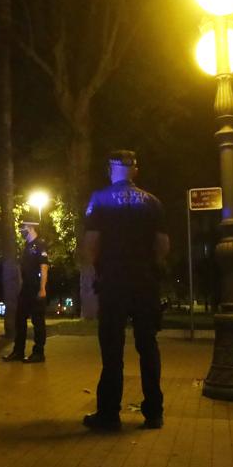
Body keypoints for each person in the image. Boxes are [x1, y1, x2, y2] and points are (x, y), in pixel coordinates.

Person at [82, 150, 169, 430]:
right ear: (135, 170)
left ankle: (109, 413)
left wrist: (97, 270)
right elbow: (163, 245)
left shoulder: (100, 199)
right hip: (145, 283)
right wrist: (150, 268)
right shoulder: (153, 202)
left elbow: (92, 243)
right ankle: (154, 411)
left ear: (111, 168)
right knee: (148, 346)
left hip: (113, 282)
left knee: (112, 349)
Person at [2, 220, 49, 363]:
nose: (21, 230)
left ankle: (39, 353)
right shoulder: (27, 246)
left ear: (30, 227)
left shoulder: (40, 245)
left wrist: (42, 288)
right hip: (26, 288)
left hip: (36, 288)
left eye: (23, 228)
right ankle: (18, 351)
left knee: (38, 321)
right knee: (20, 319)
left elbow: (44, 267)